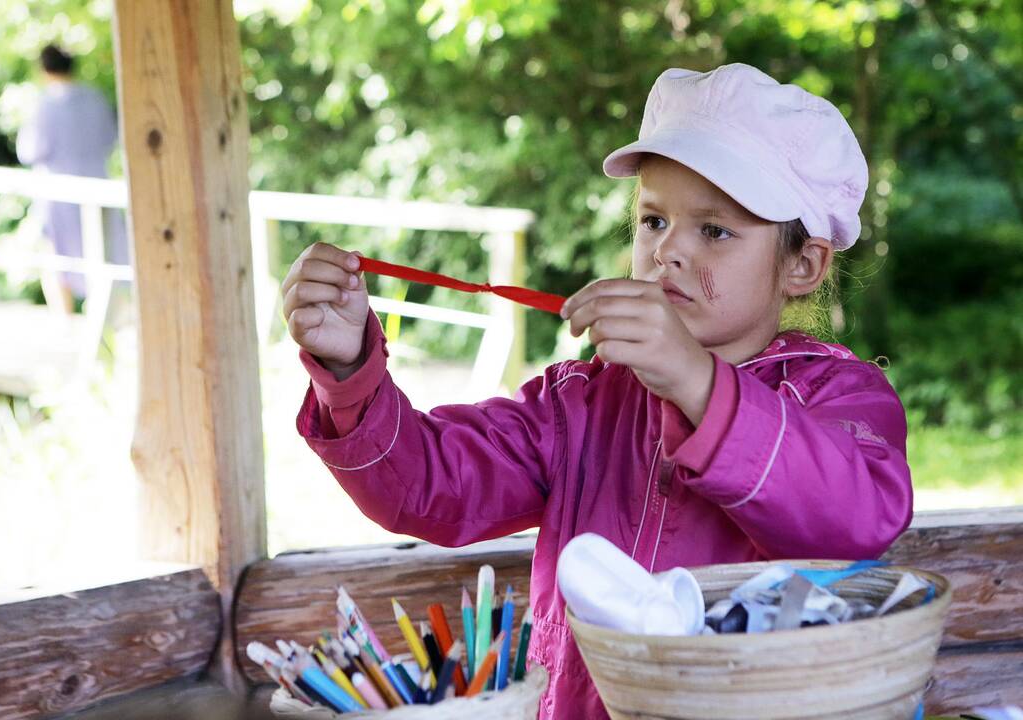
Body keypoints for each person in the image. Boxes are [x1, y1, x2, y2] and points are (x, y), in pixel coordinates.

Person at [280, 64, 912, 720]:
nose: (667, 252)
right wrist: (350, 367)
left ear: (802, 264)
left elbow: (857, 520)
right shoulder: (577, 403)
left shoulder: (842, 398)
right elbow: (424, 485)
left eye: (714, 230)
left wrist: (697, 382)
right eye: (653, 221)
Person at [17, 44, 121, 311]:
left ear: (44, 69)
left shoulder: (44, 104)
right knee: (103, 253)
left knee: (55, 255)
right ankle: (101, 316)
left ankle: (65, 321)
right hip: (97, 184)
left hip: (56, 193)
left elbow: (29, 150)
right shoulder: (95, 98)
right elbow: (110, 138)